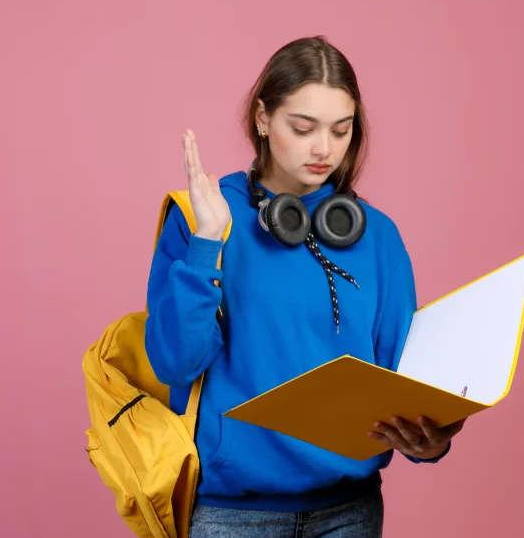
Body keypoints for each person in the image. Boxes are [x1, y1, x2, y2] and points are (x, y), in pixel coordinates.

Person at [145, 35, 466, 538]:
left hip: (350, 513)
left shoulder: (376, 235)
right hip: (236, 515)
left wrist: (432, 438)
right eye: (303, 127)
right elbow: (175, 362)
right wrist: (208, 242)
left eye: (341, 131)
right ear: (262, 118)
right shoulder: (206, 216)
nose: (324, 149)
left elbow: (403, 377)